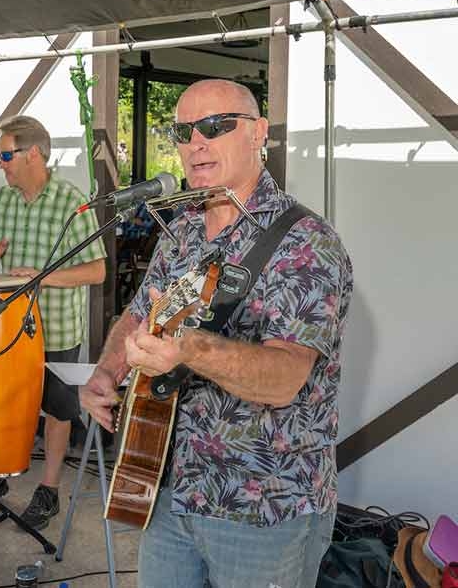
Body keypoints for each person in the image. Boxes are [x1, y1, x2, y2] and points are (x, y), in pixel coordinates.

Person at [81, 79, 353, 588]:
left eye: (214, 126)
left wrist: (188, 349)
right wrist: (107, 371)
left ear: (259, 133)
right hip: (167, 488)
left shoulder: (307, 242)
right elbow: (139, 314)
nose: (195, 143)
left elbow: (284, 377)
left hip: (264, 507)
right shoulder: (182, 229)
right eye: (183, 131)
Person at [0, 114, 106, 530]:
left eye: (6, 154)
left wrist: (43, 277)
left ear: (33, 154)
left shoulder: (72, 201)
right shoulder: (2, 200)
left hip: (56, 327)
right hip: (9, 329)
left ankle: (48, 490)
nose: (1, 164)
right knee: (4, 402)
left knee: (57, 410)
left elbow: (97, 271)